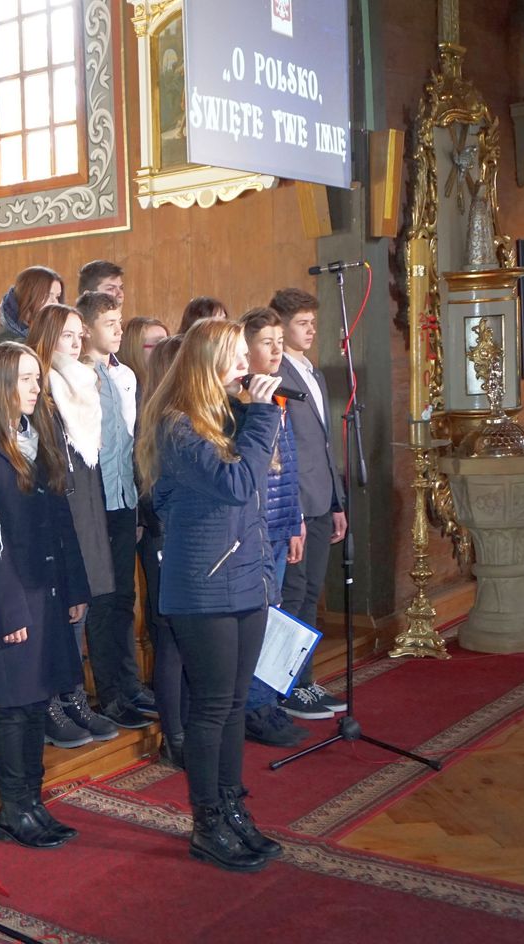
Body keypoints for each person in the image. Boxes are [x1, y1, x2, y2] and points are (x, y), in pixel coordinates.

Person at [136, 319, 285, 872]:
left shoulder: (228, 414)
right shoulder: (177, 427)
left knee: (235, 704)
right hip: (202, 586)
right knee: (212, 707)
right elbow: (237, 485)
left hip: (245, 578)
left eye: (245, 353)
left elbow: (256, 491)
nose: (247, 363)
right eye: (235, 355)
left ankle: (232, 806)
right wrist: (263, 414)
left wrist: (254, 413)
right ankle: (207, 823)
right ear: (205, 362)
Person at [0, 342, 88, 849]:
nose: (37, 388)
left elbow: (63, 519)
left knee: (38, 703)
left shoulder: (39, 435)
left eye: (37, 378)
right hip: (10, 598)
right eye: (25, 379)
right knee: (13, 707)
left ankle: (34, 802)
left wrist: (76, 586)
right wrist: (6, 609)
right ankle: (13, 809)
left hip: (49, 592)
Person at [26, 304, 119, 748]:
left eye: (80, 335)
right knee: (55, 613)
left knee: (82, 604)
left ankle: (74, 697)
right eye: (67, 335)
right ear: (46, 339)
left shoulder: (83, 383)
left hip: (85, 506)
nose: (77, 343)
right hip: (57, 509)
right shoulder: (39, 391)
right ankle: (51, 704)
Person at [76, 291, 155, 729]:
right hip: (96, 501)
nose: (119, 330)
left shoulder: (122, 375)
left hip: (124, 497)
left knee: (124, 597)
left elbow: (129, 440)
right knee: (103, 602)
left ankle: (129, 685)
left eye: (120, 322)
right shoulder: (80, 377)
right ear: (86, 330)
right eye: (109, 323)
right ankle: (109, 695)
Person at [271, 288, 348, 720]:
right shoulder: (278, 375)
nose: (311, 330)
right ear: (281, 327)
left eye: (312, 322)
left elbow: (323, 444)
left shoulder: (313, 372)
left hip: (321, 499)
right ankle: (287, 687)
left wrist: (337, 501)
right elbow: (285, 451)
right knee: (294, 595)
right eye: (302, 323)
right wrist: (295, 511)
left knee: (311, 593)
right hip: (295, 505)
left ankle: (304, 679)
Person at [240, 307, 309, 748]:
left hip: (282, 521)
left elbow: (289, 465)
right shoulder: (247, 401)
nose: (277, 349)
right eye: (267, 342)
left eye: (280, 341)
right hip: (256, 526)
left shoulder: (279, 395)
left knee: (277, 616)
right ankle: (253, 707)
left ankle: (268, 700)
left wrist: (295, 518)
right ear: (245, 349)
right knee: (259, 620)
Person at [137, 334, 187, 767]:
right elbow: (152, 492)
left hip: (182, 538)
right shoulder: (161, 419)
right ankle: (175, 736)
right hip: (166, 538)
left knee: (187, 642)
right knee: (170, 639)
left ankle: (188, 727)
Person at [0, 266, 64, 343]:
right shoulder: (7, 340)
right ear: (29, 296)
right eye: (47, 296)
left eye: (57, 297)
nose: (56, 303)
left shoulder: (50, 331)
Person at [119, 316, 169, 395]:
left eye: (167, 344)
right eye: (159, 344)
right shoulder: (125, 389)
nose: (166, 350)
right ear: (134, 349)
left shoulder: (165, 383)